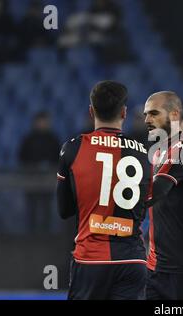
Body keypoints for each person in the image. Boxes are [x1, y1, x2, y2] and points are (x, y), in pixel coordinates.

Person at [56, 80, 152, 300]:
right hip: (133, 260)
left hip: (90, 259)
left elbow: (64, 210)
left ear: (91, 111)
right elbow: (147, 202)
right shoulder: (143, 153)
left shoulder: (73, 148)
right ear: (124, 113)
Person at [143, 91, 183, 300]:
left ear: (175, 115)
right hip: (157, 265)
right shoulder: (161, 150)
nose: (147, 120)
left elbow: (155, 193)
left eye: (154, 114)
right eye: (145, 115)